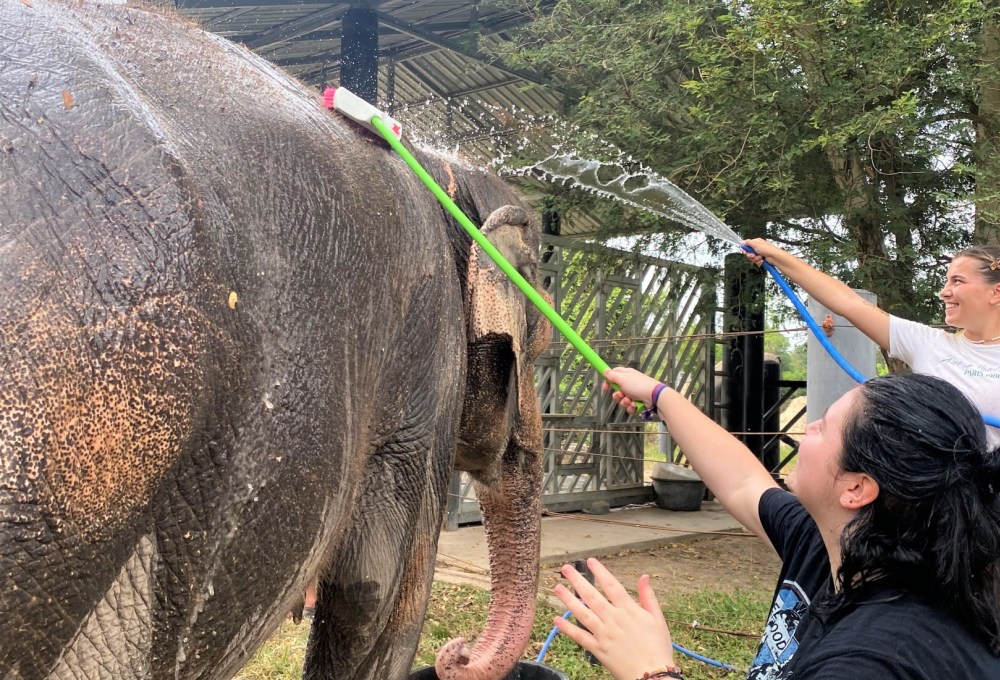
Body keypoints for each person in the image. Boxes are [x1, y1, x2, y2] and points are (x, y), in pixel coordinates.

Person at [550, 366, 1000, 680]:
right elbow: (744, 481)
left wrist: (652, 670)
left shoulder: (874, 658)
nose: (808, 428)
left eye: (823, 426)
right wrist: (660, 397)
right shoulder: (838, 545)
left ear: (857, 489)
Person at [742, 239, 1000, 447]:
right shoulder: (928, 343)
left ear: (996, 292)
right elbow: (849, 302)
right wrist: (777, 256)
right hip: (931, 496)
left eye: (957, 281)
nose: (944, 291)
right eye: (946, 280)